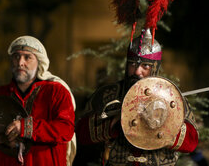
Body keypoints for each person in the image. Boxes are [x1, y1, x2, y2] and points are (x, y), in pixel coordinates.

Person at [75, 29, 199, 166]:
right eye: (132, 64)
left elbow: (191, 142)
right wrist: (112, 124)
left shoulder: (171, 97)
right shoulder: (109, 94)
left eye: (145, 66)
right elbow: (81, 133)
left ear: (155, 67)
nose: (137, 71)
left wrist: (162, 122)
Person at [0, 35, 76, 166]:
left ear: (39, 62)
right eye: (16, 56)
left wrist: (26, 128)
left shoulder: (57, 92)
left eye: (27, 57)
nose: (20, 62)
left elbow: (66, 129)